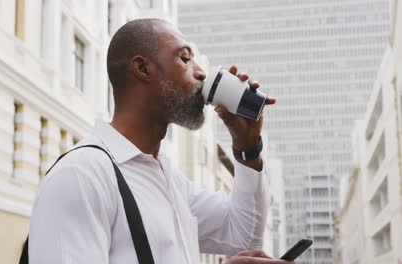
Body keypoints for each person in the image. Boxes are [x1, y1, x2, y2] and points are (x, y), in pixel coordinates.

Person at [28, 18, 292, 264]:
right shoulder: (82, 175)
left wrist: (247, 149)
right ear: (143, 68)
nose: (201, 73)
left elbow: (242, 236)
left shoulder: (169, 180)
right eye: (185, 58)